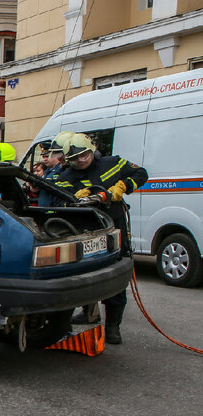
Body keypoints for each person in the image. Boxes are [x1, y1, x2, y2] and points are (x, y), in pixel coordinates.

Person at [55, 133, 148, 344]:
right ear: (69, 160)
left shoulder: (113, 163)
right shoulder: (65, 178)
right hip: (86, 232)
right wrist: (75, 198)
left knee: (115, 278)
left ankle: (113, 326)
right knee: (80, 278)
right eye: (76, 158)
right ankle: (78, 317)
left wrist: (123, 186)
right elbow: (60, 204)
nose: (81, 160)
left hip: (115, 229)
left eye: (85, 155)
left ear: (92, 151)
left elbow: (141, 173)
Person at [36, 132, 71, 207]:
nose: (45, 159)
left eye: (47, 156)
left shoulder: (61, 170)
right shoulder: (48, 171)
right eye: (43, 157)